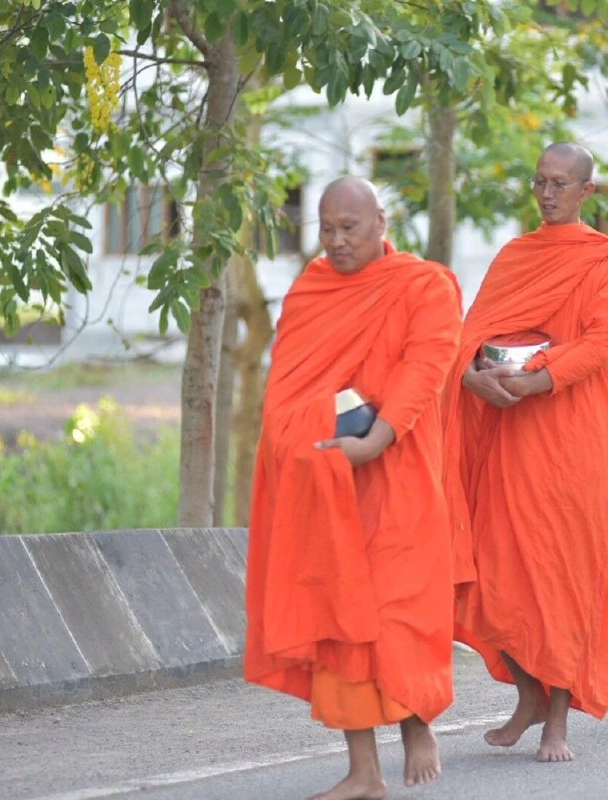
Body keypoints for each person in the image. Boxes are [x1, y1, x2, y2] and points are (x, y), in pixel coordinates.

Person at [244, 176, 462, 799]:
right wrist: (304, 437)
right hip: (327, 479)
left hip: (397, 474)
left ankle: (418, 720)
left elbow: (428, 366)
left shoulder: (424, 285)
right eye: (327, 228)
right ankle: (363, 772)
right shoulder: (310, 290)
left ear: (382, 222)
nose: (337, 242)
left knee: (397, 612)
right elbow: (285, 387)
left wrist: (378, 437)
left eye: (351, 228)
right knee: (339, 618)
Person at [441, 142, 608, 762]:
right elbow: (472, 329)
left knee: (564, 575)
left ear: (587, 192)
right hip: (509, 436)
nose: (547, 194)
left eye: (560, 184)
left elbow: (602, 345)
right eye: (540, 183)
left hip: (576, 438)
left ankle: (557, 718)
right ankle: (527, 692)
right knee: (498, 572)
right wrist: (472, 372)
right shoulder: (516, 256)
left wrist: (534, 379)